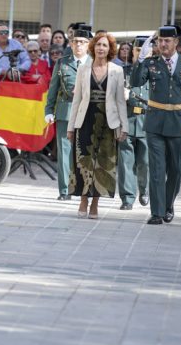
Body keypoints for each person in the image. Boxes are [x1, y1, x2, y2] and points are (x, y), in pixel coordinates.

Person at [132, 25, 181, 225]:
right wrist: (140, 60)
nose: (163, 44)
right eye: (160, 40)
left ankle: (168, 204)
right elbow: (136, 82)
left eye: (167, 41)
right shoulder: (151, 63)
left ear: (176, 43)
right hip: (155, 122)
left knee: (176, 169)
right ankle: (156, 212)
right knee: (156, 168)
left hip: (178, 123)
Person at [67, 32, 128, 219]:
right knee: (84, 160)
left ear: (110, 50)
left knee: (103, 163)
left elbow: (120, 101)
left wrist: (123, 127)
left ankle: (95, 203)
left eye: (105, 46)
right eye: (99, 45)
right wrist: (71, 127)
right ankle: (83, 198)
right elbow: (77, 100)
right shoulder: (83, 69)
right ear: (93, 47)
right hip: (85, 119)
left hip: (108, 123)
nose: (101, 48)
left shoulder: (117, 71)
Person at [44, 26, 91, 201]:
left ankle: (84, 186)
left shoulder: (95, 63)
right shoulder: (62, 62)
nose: (78, 45)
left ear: (88, 45)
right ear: (70, 44)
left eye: (82, 42)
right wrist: (49, 110)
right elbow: (53, 89)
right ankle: (65, 190)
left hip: (88, 113)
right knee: (65, 152)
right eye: (75, 42)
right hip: (66, 111)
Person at [118, 38, 149, 210]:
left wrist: (131, 96)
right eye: (137, 50)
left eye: (145, 51)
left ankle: (144, 190)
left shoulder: (156, 73)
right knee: (125, 162)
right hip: (127, 120)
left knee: (145, 162)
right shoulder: (123, 72)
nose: (141, 54)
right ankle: (127, 198)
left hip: (147, 122)